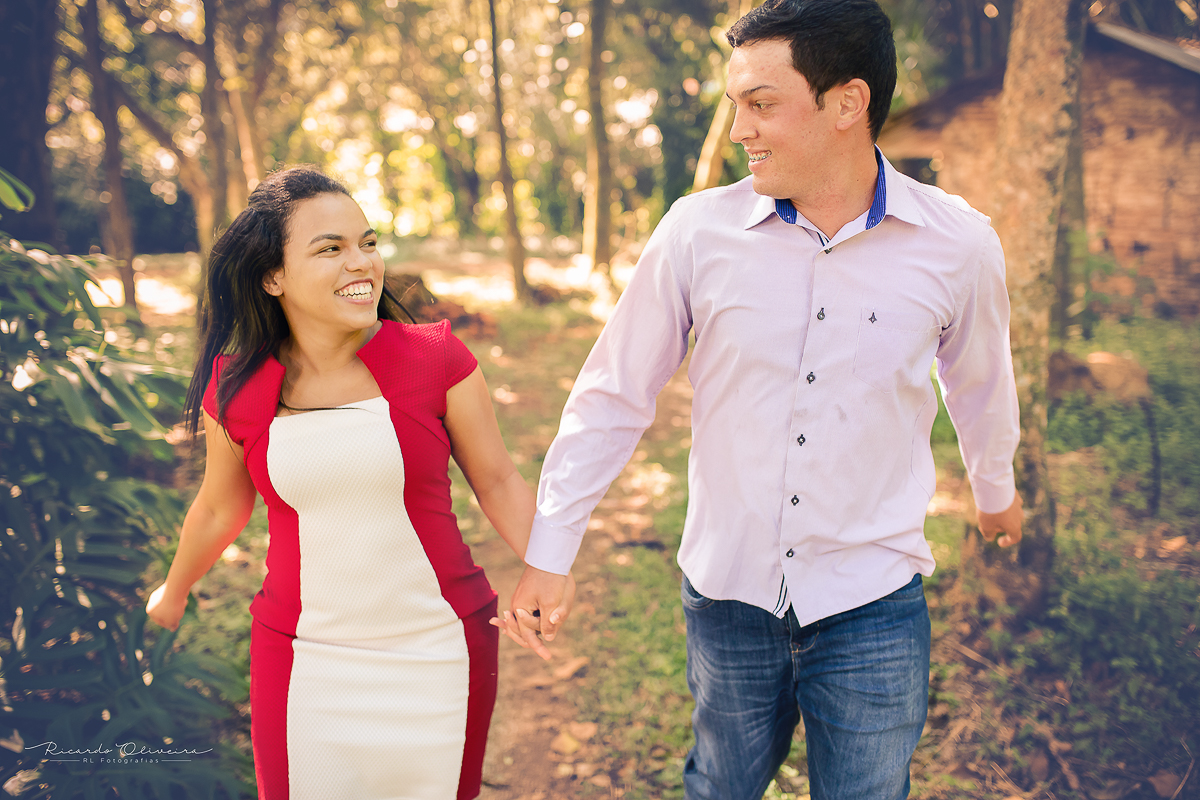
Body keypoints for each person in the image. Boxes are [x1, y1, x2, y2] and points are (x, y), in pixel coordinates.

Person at [497, 1, 1024, 798]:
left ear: (847, 103)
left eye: (762, 103)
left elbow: (981, 383)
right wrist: (551, 549)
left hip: (871, 597)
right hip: (728, 595)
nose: (740, 127)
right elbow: (614, 393)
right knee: (722, 784)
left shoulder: (960, 245)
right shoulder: (695, 233)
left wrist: (995, 493)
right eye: (735, 102)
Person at [146, 166, 573, 800]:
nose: (362, 263)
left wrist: (551, 566)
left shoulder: (434, 359)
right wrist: (173, 592)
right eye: (331, 248)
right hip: (300, 661)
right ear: (273, 276)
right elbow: (217, 509)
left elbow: (499, 480)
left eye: (367, 243)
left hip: (439, 651)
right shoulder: (236, 388)